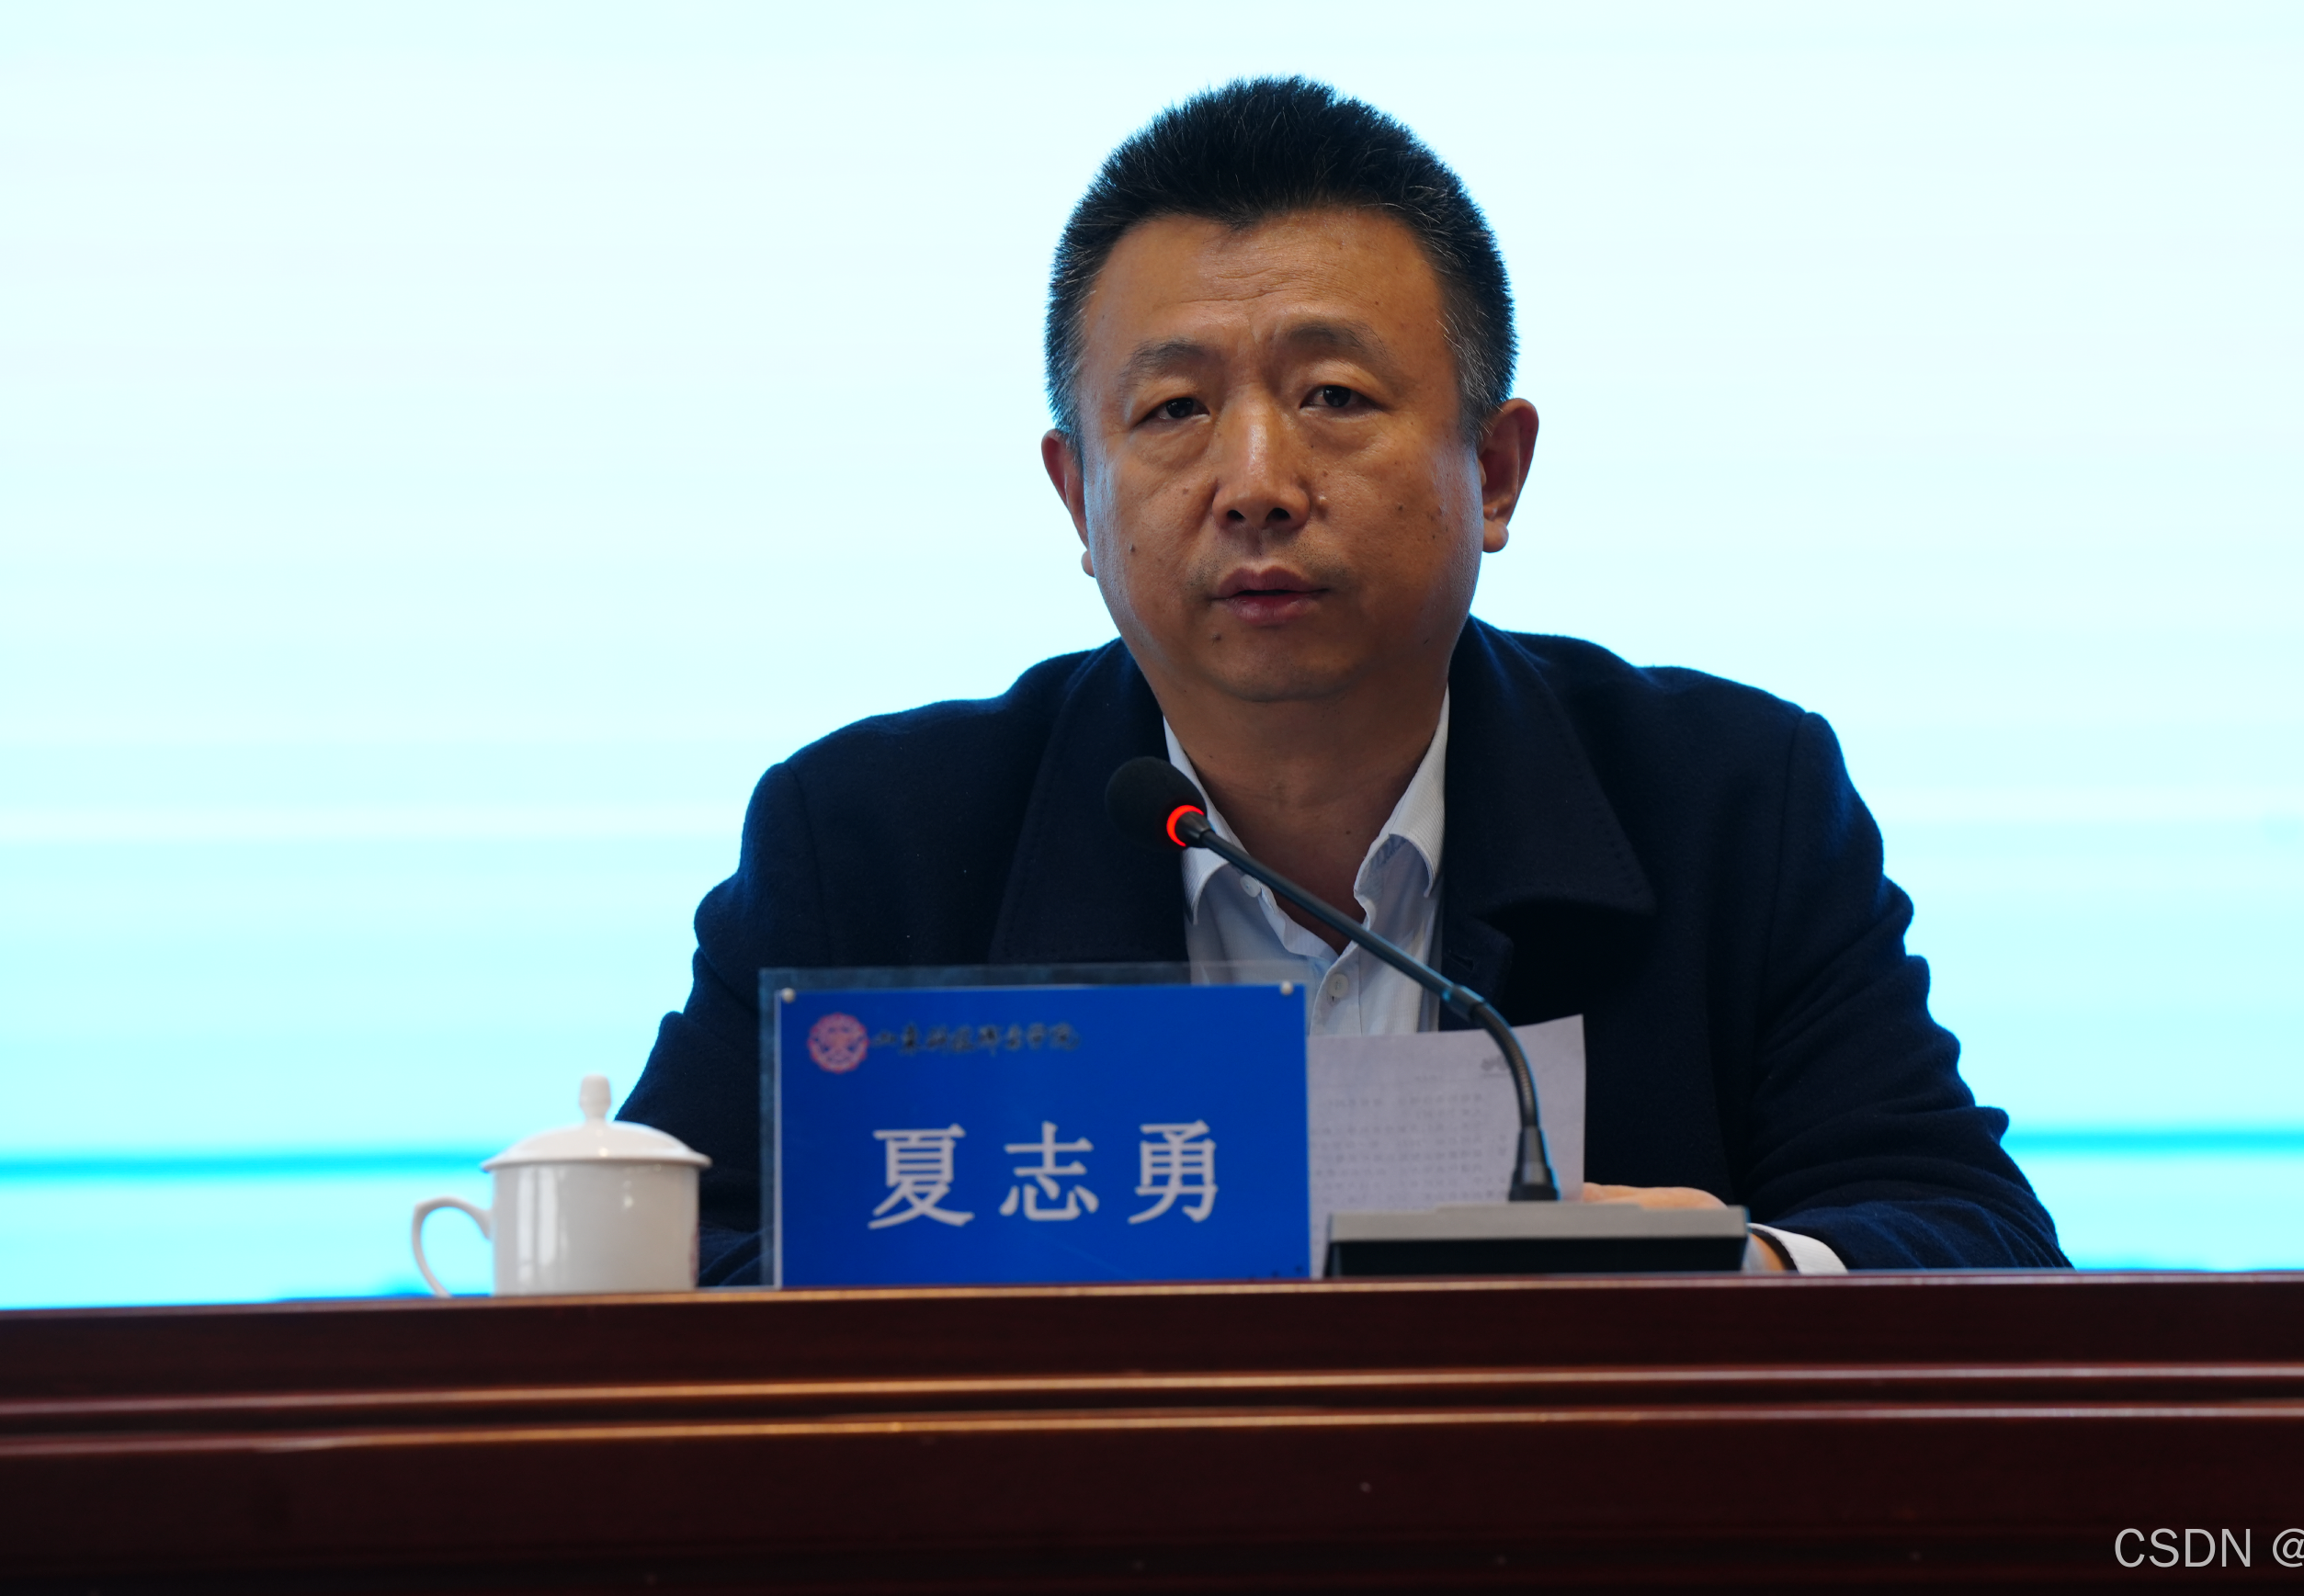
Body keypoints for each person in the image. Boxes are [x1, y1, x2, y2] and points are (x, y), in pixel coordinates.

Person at [623, 77, 2065, 1282]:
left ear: (1492, 470)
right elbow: (656, 1264)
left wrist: (1732, 1274)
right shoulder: (870, 838)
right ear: (1077, 497)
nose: (1256, 481)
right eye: (1173, 409)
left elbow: (1972, 1239)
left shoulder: (1729, 804)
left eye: (1332, 396)